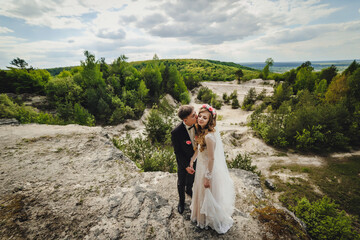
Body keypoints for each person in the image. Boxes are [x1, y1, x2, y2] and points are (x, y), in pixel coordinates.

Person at [189, 104, 235, 234]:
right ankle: (200, 215)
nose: (201, 119)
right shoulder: (201, 132)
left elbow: (211, 159)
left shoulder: (209, 137)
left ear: (210, 121)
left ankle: (208, 218)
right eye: (200, 116)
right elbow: (199, 149)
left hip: (207, 170)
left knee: (207, 192)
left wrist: (207, 177)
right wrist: (192, 160)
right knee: (199, 190)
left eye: (205, 118)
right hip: (200, 168)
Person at [171, 105, 197, 214]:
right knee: (181, 182)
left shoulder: (198, 125)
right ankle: (181, 201)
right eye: (193, 115)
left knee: (192, 178)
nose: (197, 116)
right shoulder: (176, 132)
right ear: (185, 120)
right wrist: (186, 166)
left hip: (196, 158)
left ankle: (189, 190)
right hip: (183, 162)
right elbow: (178, 152)